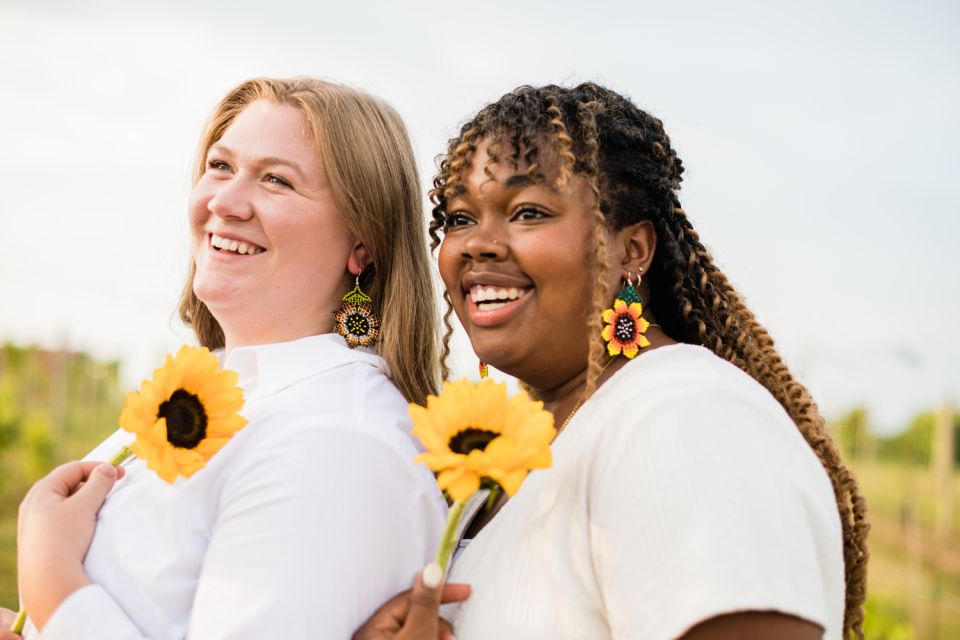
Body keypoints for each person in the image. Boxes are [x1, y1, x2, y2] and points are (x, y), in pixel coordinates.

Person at [354, 83, 869, 640]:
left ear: (633, 250)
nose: (477, 243)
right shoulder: (514, 460)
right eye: (458, 218)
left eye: (527, 212)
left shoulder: (684, 415)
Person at [5, 77, 447, 639]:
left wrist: (53, 580)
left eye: (276, 180)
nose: (225, 202)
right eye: (220, 166)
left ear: (363, 242)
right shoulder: (224, 394)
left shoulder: (336, 437)